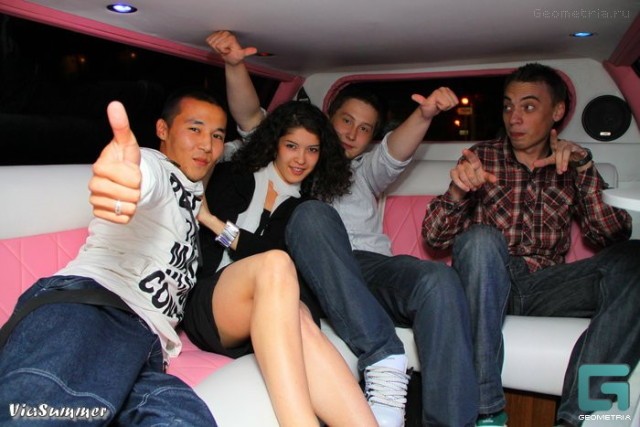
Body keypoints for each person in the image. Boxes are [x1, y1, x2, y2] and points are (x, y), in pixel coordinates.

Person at [206, 30, 478, 427]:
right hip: (314, 273)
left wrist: (424, 115)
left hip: (369, 266)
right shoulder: (288, 166)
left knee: (440, 280)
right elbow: (252, 121)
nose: (351, 133)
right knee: (311, 215)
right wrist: (235, 66)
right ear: (326, 119)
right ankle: (382, 355)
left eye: (364, 129)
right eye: (346, 121)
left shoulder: (361, 171)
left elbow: (396, 151)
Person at [422, 62, 640, 427]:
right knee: (480, 239)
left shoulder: (574, 164)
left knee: (634, 257)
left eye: (528, 106)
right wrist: (458, 191)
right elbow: (433, 238)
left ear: (556, 111)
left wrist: (585, 171)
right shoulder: (481, 157)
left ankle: (579, 418)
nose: (514, 118)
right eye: (508, 106)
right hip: (489, 282)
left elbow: (612, 234)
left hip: (547, 287)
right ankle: (486, 412)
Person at [0, 89, 227, 425]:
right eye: (195, 129)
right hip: (95, 307)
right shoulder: (155, 165)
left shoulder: (193, 195)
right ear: (162, 130)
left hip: (148, 352)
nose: (207, 144)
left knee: (186, 418)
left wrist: (207, 217)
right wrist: (125, 185)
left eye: (217, 135)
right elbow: (140, 177)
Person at [181, 100, 378, 427]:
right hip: (211, 305)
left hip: (266, 309)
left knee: (298, 314)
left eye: (312, 150)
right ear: (275, 144)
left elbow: (274, 257)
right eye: (291, 146)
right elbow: (266, 255)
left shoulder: (305, 209)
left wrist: (217, 225)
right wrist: (220, 229)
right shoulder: (233, 176)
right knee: (275, 264)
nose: (301, 159)